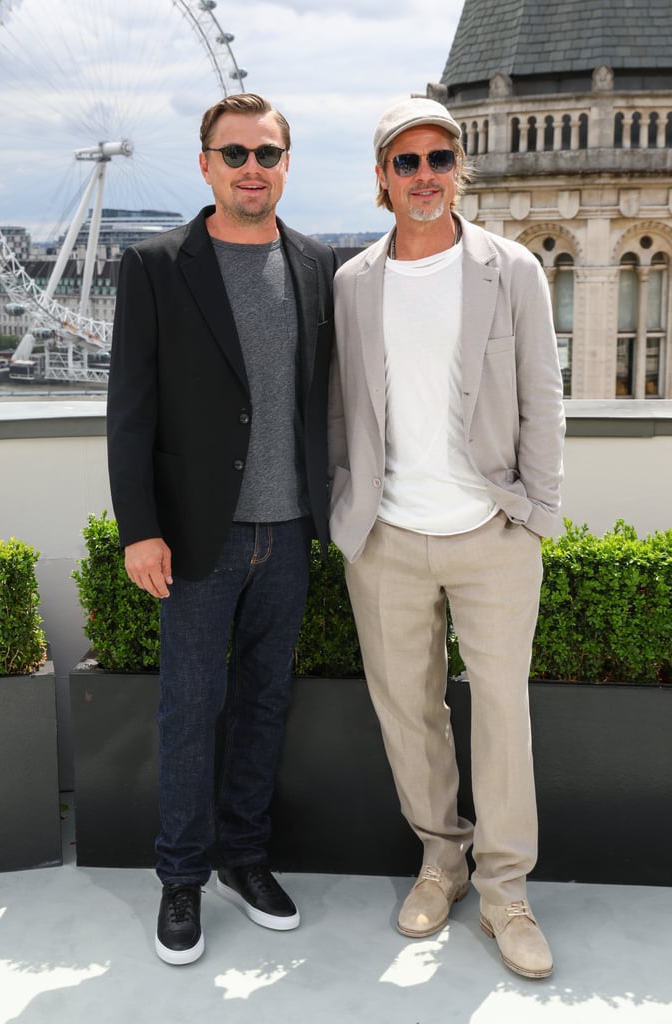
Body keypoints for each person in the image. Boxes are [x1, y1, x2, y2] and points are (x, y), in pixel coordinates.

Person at [328, 97, 565, 980]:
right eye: (405, 162)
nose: (423, 176)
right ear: (382, 178)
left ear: (457, 168)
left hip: (491, 533)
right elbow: (338, 408)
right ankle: (443, 860)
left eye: (438, 159)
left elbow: (543, 397)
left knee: (503, 717)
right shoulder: (352, 281)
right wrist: (349, 504)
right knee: (408, 714)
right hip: (386, 536)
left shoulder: (510, 270)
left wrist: (533, 510)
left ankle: (507, 893)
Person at [106, 93, 336, 966]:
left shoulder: (316, 262)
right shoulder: (158, 265)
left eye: (267, 153)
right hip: (200, 536)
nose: (252, 167)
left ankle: (244, 858)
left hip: (291, 529)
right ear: (205, 163)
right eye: (234, 152)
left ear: (285, 163)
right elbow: (129, 409)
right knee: (189, 707)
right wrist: (140, 529)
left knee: (265, 703)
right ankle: (179, 879)